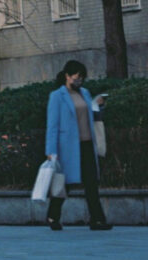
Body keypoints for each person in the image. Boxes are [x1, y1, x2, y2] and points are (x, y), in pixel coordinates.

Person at [45, 59, 112, 231]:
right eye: (76, 78)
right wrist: (51, 151)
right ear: (67, 76)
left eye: (81, 79)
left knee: (91, 183)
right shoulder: (57, 96)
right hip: (67, 147)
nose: (78, 82)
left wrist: (97, 105)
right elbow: (52, 126)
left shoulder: (85, 93)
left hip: (87, 143)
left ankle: (97, 219)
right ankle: (53, 216)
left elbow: (89, 115)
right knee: (64, 183)